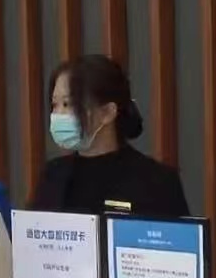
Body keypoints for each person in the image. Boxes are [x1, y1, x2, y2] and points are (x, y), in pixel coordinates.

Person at [31, 54, 190, 217]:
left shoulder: (156, 181)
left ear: (107, 112)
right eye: (54, 104)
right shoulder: (52, 175)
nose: (58, 114)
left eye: (67, 104)